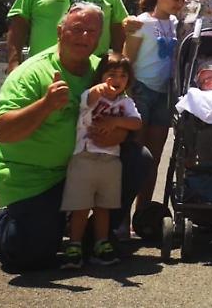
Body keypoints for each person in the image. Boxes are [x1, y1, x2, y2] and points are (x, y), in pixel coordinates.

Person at [0, 2, 148, 271]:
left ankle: (94, 236)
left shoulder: (103, 70)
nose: (84, 36)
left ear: (99, 38)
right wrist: (45, 105)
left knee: (138, 159)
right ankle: (3, 222)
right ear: (59, 31)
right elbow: (4, 132)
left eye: (92, 31)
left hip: (85, 167)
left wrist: (119, 134)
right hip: (38, 181)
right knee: (29, 256)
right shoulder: (30, 73)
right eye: (77, 29)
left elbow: (125, 112)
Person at [60, 52, 142, 269]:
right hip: (84, 157)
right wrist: (100, 89)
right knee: (80, 207)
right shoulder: (92, 95)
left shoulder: (126, 102)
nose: (117, 80)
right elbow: (89, 99)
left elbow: (136, 123)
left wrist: (116, 122)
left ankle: (101, 243)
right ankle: (74, 244)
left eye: (123, 76)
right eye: (111, 74)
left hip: (110, 159)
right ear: (101, 76)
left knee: (103, 207)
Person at [123, 0, 187, 232]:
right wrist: (128, 94)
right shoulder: (141, 23)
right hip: (141, 91)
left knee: (154, 158)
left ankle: (143, 215)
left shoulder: (174, 23)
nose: (180, 4)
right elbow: (127, 60)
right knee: (135, 156)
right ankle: (121, 217)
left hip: (164, 94)